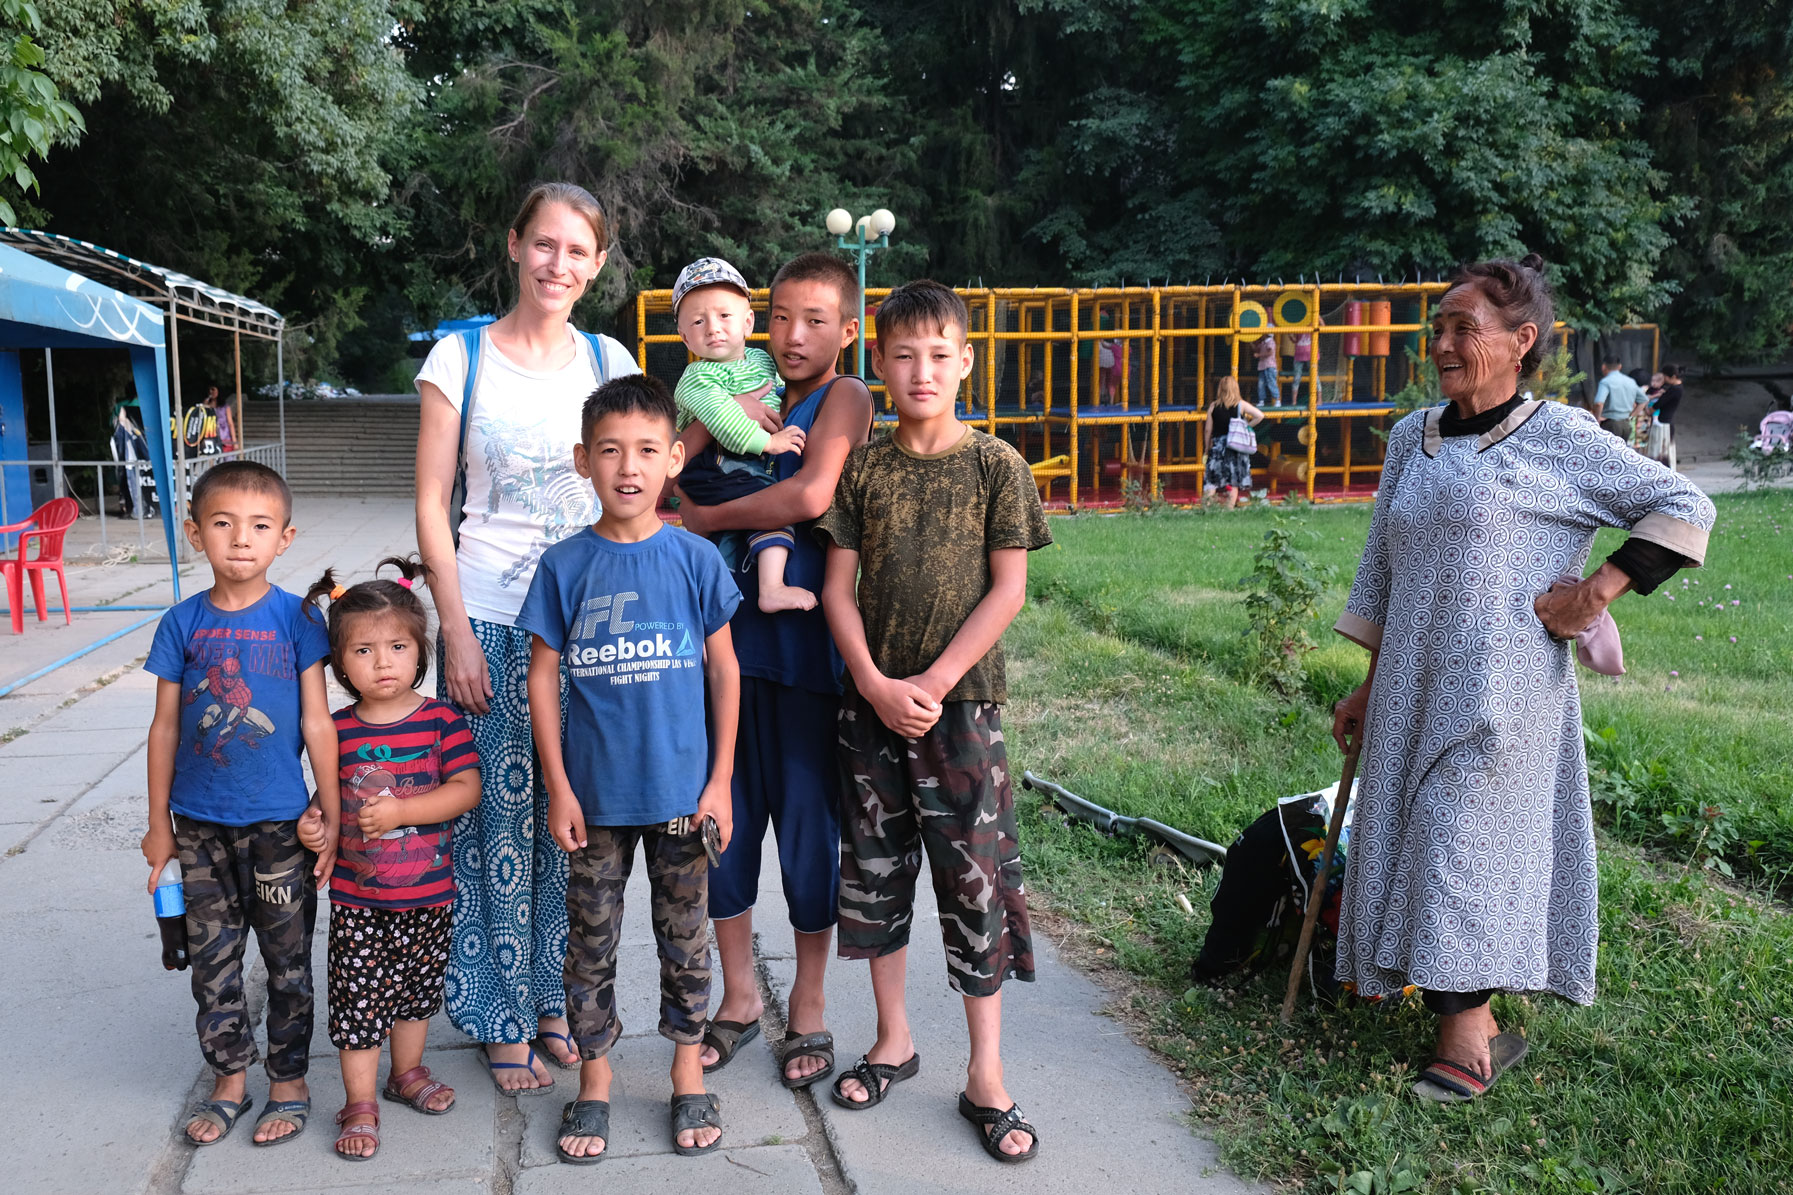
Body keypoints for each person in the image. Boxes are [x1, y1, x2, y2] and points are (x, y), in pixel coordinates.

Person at [1330, 254, 1715, 1103]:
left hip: (1500, 694)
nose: (1441, 342)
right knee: (1413, 834)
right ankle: (1468, 1017)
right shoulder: (1410, 437)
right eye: (1437, 327)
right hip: (1407, 688)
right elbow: (1381, 573)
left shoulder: (1560, 437)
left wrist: (1596, 592)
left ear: (1520, 340)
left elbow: (1686, 506)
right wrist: (1366, 683)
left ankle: (1467, 1037)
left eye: (1462, 327)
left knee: (1453, 839)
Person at [816, 279, 1052, 1163]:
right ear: (879, 362)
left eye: (938, 353)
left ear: (965, 361)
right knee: (876, 874)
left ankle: (985, 1071)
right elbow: (837, 590)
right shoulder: (865, 467)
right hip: (869, 712)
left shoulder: (996, 465)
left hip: (963, 713)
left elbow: (1009, 587)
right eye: (903, 354)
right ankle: (892, 1039)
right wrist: (875, 682)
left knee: (972, 883)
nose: (921, 370)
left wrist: (937, 679)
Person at [413, 182, 641, 1092]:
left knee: (573, 820)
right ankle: (498, 1006)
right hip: (495, 619)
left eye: (577, 251)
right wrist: (456, 629)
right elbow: (433, 501)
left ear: (596, 265)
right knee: (497, 822)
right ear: (514, 245)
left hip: (590, 627)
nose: (558, 265)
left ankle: (556, 995)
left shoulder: (605, 355)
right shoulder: (459, 356)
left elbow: (636, 477)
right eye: (544, 244)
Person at [518, 375, 741, 1163]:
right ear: (583, 460)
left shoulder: (694, 559)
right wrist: (559, 787)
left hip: (683, 794)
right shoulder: (565, 565)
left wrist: (719, 781)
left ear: (674, 458)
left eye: (647, 449)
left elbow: (724, 672)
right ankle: (597, 1080)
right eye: (609, 450)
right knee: (590, 944)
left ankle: (686, 1073)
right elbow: (541, 677)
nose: (628, 466)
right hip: (597, 800)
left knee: (686, 940)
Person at [677, 252, 873, 1089]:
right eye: (783, 315)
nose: (795, 336)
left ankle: (812, 1007)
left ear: (848, 330)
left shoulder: (845, 397)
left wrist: (708, 513)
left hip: (802, 656)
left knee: (804, 832)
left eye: (815, 321)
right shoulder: (733, 389)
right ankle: (738, 997)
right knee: (720, 824)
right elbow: (666, 468)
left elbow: (808, 495)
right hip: (720, 648)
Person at [139, 461, 340, 1147]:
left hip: (281, 826)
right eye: (222, 524)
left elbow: (318, 721)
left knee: (288, 962)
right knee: (211, 961)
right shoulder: (181, 622)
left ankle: (289, 1079)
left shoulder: (297, 619)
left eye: (258, 526)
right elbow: (165, 726)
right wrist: (157, 827)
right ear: (196, 533)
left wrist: (331, 812)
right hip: (198, 829)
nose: (240, 540)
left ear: (284, 538)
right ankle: (228, 1078)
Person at [296, 558, 481, 1161]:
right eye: (364, 651)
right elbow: (324, 800)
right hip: (358, 899)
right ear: (339, 663)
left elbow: (466, 789)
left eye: (397, 646)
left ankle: (406, 1074)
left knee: (415, 993)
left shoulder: (440, 721)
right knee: (358, 1002)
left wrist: (403, 811)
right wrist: (312, 823)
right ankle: (359, 1102)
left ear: (419, 650)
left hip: (429, 894)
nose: (382, 663)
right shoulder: (337, 731)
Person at [669, 256, 813, 613]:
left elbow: (776, 395)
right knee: (772, 507)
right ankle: (772, 587)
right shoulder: (697, 378)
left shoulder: (762, 361)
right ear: (685, 336)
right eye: (698, 321)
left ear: (748, 322)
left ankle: (714, 609)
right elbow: (723, 421)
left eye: (724, 316)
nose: (713, 328)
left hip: (743, 466)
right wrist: (770, 442)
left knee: (729, 544)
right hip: (713, 467)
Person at [1204, 375, 1263, 509]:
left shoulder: (1213, 406)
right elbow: (1260, 415)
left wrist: (1207, 448)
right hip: (1235, 447)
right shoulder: (1240, 405)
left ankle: (1207, 507)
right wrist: (1247, 426)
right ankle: (1229, 508)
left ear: (1220, 389)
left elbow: (1208, 430)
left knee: (1212, 478)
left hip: (1218, 447)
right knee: (1233, 479)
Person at [1591, 353, 1642, 442]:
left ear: (1603, 367)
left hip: (1611, 424)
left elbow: (1599, 403)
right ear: (1620, 367)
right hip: (1626, 424)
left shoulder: (1606, 382)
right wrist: (1632, 416)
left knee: (1607, 453)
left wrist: (1596, 420)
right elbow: (1643, 400)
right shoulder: (1630, 381)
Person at [1650, 364, 1684, 465]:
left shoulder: (1674, 389)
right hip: (1666, 423)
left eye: (1664, 377)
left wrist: (1649, 409)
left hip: (1663, 424)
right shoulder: (1676, 388)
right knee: (1666, 452)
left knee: (1660, 453)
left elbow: (1658, 404)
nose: (1663, 379)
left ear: (1673, 377)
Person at [1253, 330, 1279, 405]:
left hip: (1269, 366)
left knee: (1271, 383)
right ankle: (1261, 401)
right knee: (1260, 384)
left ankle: (1277, 400)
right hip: (1262, 367)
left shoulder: (1270, 342)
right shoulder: (1263, 343)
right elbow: (1256, 349)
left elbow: (1270, 352)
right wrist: (1250, 342)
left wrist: (1259, 355)